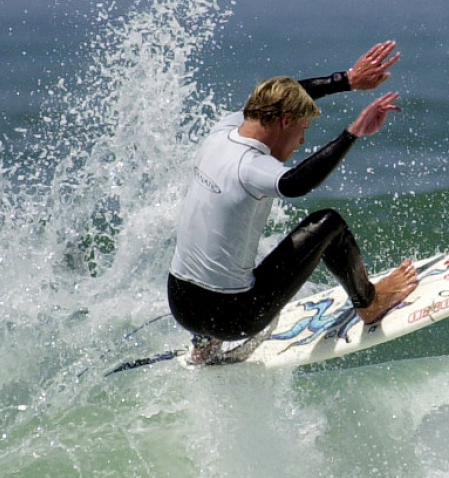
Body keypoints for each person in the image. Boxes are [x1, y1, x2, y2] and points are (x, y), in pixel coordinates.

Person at [167, 41, 418, 364]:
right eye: (303, 129)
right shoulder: (250, 166)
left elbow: (284, 95)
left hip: (181, 305)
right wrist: (353, 132)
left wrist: (348, 80)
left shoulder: (223, 131)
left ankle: (204, 344)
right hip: (233, 318)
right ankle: (370, 302)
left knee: (222, 264)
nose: (301, 141)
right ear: (286, 121)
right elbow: (296, 183)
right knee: (329, 224)